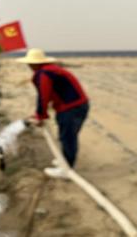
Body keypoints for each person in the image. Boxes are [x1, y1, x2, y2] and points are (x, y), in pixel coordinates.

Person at [17, 48, 89, 179]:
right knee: (68, 136)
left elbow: (43, 96)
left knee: (67, 138)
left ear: (34, 64)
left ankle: (66, 169)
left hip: (70, 108)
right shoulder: (52, 70)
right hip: (80, 105)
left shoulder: (43, 74)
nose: (28, 66)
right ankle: (65, 160)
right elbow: (52, 93)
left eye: (29, 64)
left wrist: (40, 115)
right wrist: (41, 112)